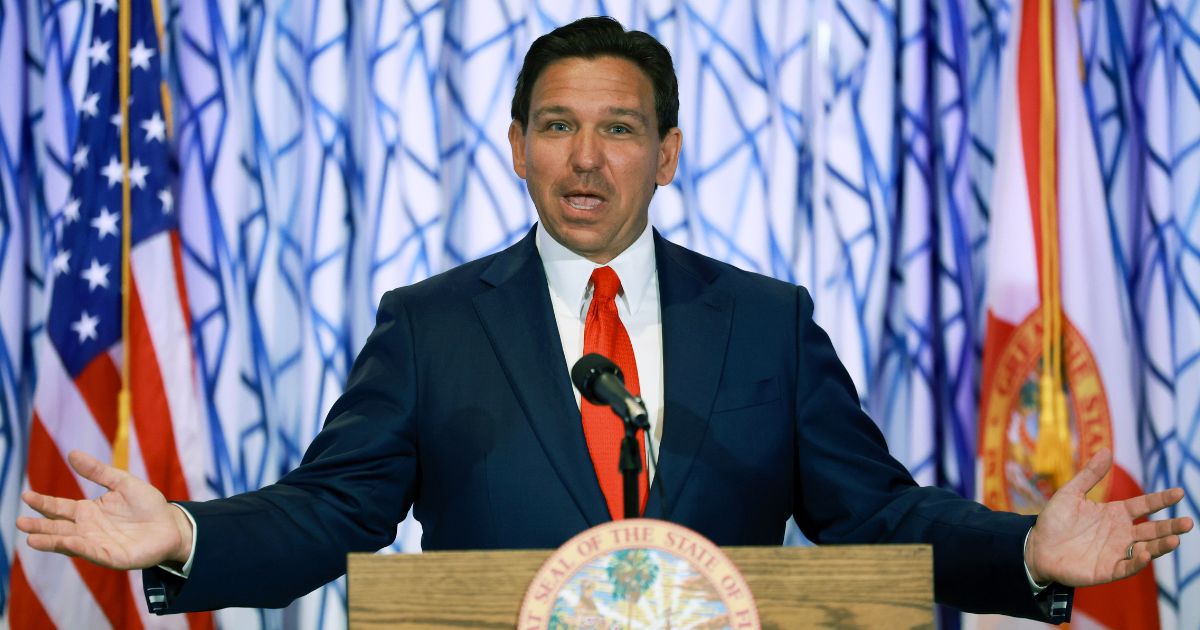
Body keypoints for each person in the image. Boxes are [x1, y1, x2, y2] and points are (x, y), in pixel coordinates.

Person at [18, 16, 1191, 623]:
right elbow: (336, 513)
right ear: (518, 146)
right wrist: (182, 534)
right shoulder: (428, 325)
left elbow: (870, 512)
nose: (587, 157)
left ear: (668, 154)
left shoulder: (768, 323)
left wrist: (1027, 555)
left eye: (620, 128)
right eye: (557, 126)